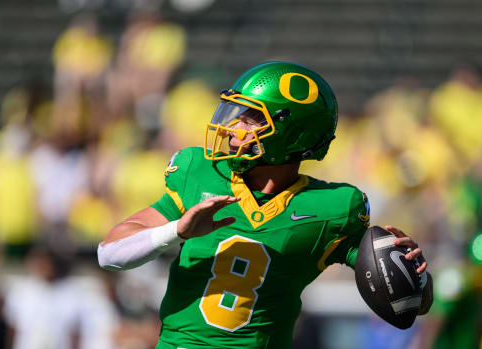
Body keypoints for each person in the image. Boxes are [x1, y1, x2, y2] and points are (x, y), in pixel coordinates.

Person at [98, 61, 432, 348]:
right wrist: (176, 230)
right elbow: (109, 253)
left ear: (291, 135)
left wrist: (411, 270)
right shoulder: (201, 172)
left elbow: (410, 300)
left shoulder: (332, 209)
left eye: (250, 119)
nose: (233, 128)